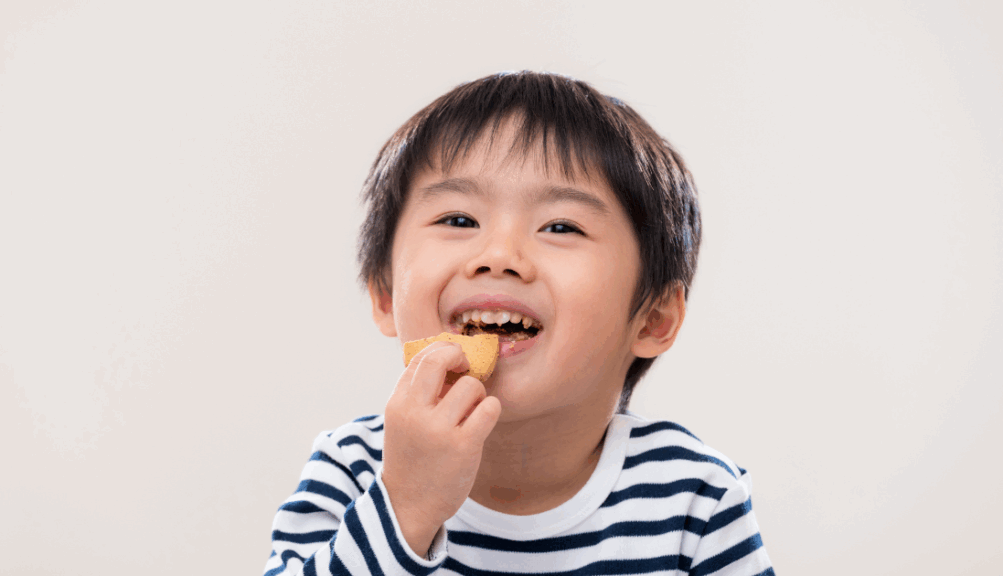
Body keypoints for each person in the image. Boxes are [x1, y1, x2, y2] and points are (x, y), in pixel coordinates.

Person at [262, 71, 774, 575]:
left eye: (561, 226)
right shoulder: (355, 469)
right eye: (458, 220)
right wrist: (404, 507)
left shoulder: (695, 499)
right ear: (385, 294)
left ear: (652, 320)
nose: (499, 256)